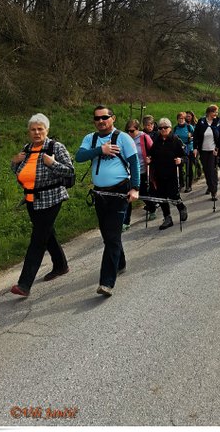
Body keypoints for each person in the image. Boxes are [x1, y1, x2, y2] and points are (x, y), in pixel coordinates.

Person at [75, 106, 140, 297]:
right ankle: (120, 263)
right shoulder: (91, 138)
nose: (101, 121)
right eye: (97, 118)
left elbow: (134, 163)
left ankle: (106, 282)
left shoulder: (123, 138)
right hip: (100, 194)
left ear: (113, 118)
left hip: (119, 191)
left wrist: (135, 188)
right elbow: (79, 157)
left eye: (105, 117)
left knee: (111, 236)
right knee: (108, 235)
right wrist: (100, 150)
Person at [9, 113, 74, 297]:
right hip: (31, 199)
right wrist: (14, 162)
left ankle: (24, 284)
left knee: (38, 239)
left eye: (40, 129)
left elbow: (70, 171)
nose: (36, 132)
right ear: (28, 131)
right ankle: (61, 265)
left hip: (51, 198)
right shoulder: (27, 149)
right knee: (47, 233)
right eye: (33, 129)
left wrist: (52, 163)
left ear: (47, 130)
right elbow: (20, 172)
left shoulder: (55, 147)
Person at [147, 118, 188, 230]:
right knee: (161, 197)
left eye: (165, 127)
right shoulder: (156, 141)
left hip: (172, 173)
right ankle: (167, 218)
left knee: (173, 195)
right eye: (161, 128)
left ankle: (181, 207)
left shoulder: (176, 140)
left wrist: (180, 160)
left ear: (170, 128)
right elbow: (151, 154)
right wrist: (149, 159)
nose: (163, 130)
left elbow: (185, 157)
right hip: (159, 173)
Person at [123, 119, 153, 229]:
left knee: (143, 193)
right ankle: (126, 222)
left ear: (137, 129)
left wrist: (150, 158)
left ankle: (152, 208)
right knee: (128, 196)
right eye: (127, 131)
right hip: (128, 173)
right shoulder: (124, 139)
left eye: (132, 131)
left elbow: (153, 150)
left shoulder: (144, 137)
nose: (129, 133)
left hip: (142, 170)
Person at [193, 105, 220, 201]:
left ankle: (214, 191)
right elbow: (196, 135)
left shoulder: (218, 122)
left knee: (212, 170)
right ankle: (210, 185)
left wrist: (218, 148)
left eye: (217, 112)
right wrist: (195, 148)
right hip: (203, 150)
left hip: (213, 150)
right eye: (214, 112)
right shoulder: (201, 122)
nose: (216, 114)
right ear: (209, 112)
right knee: (206, 170)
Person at [173, 111, 195, 192]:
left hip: (189, 148)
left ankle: (189, 185)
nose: (181, 120)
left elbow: (195, 136)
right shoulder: (175, 128)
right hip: (179, 149)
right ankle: (181, 183)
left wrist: (191, 138)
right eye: (179, 118)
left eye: (182, 118)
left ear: (185, 119)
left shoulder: (189, 127)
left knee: (189, 167)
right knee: (179, 167)